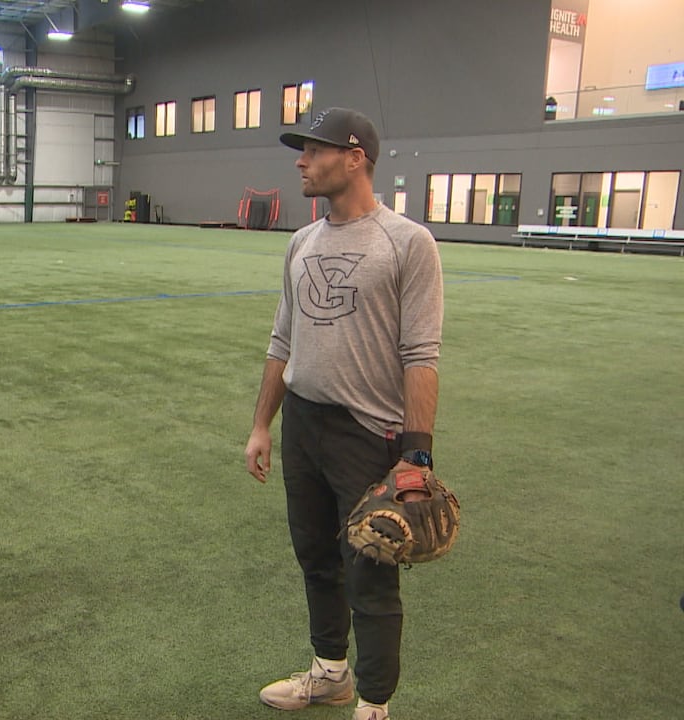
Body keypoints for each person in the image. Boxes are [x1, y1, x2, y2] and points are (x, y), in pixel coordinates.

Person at [244, 107, 443, 720]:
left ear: (355, 158)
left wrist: (416, 452)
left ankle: (375, 704)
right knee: (315, 556)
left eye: (313, 150)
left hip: (368, 433)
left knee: (372, 569)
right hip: (304, 423)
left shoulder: (407, 242)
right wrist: (261, 426)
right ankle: (330, 672)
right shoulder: (301, 242)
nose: (301, 162)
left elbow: (421, 354)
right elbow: (283, 340)